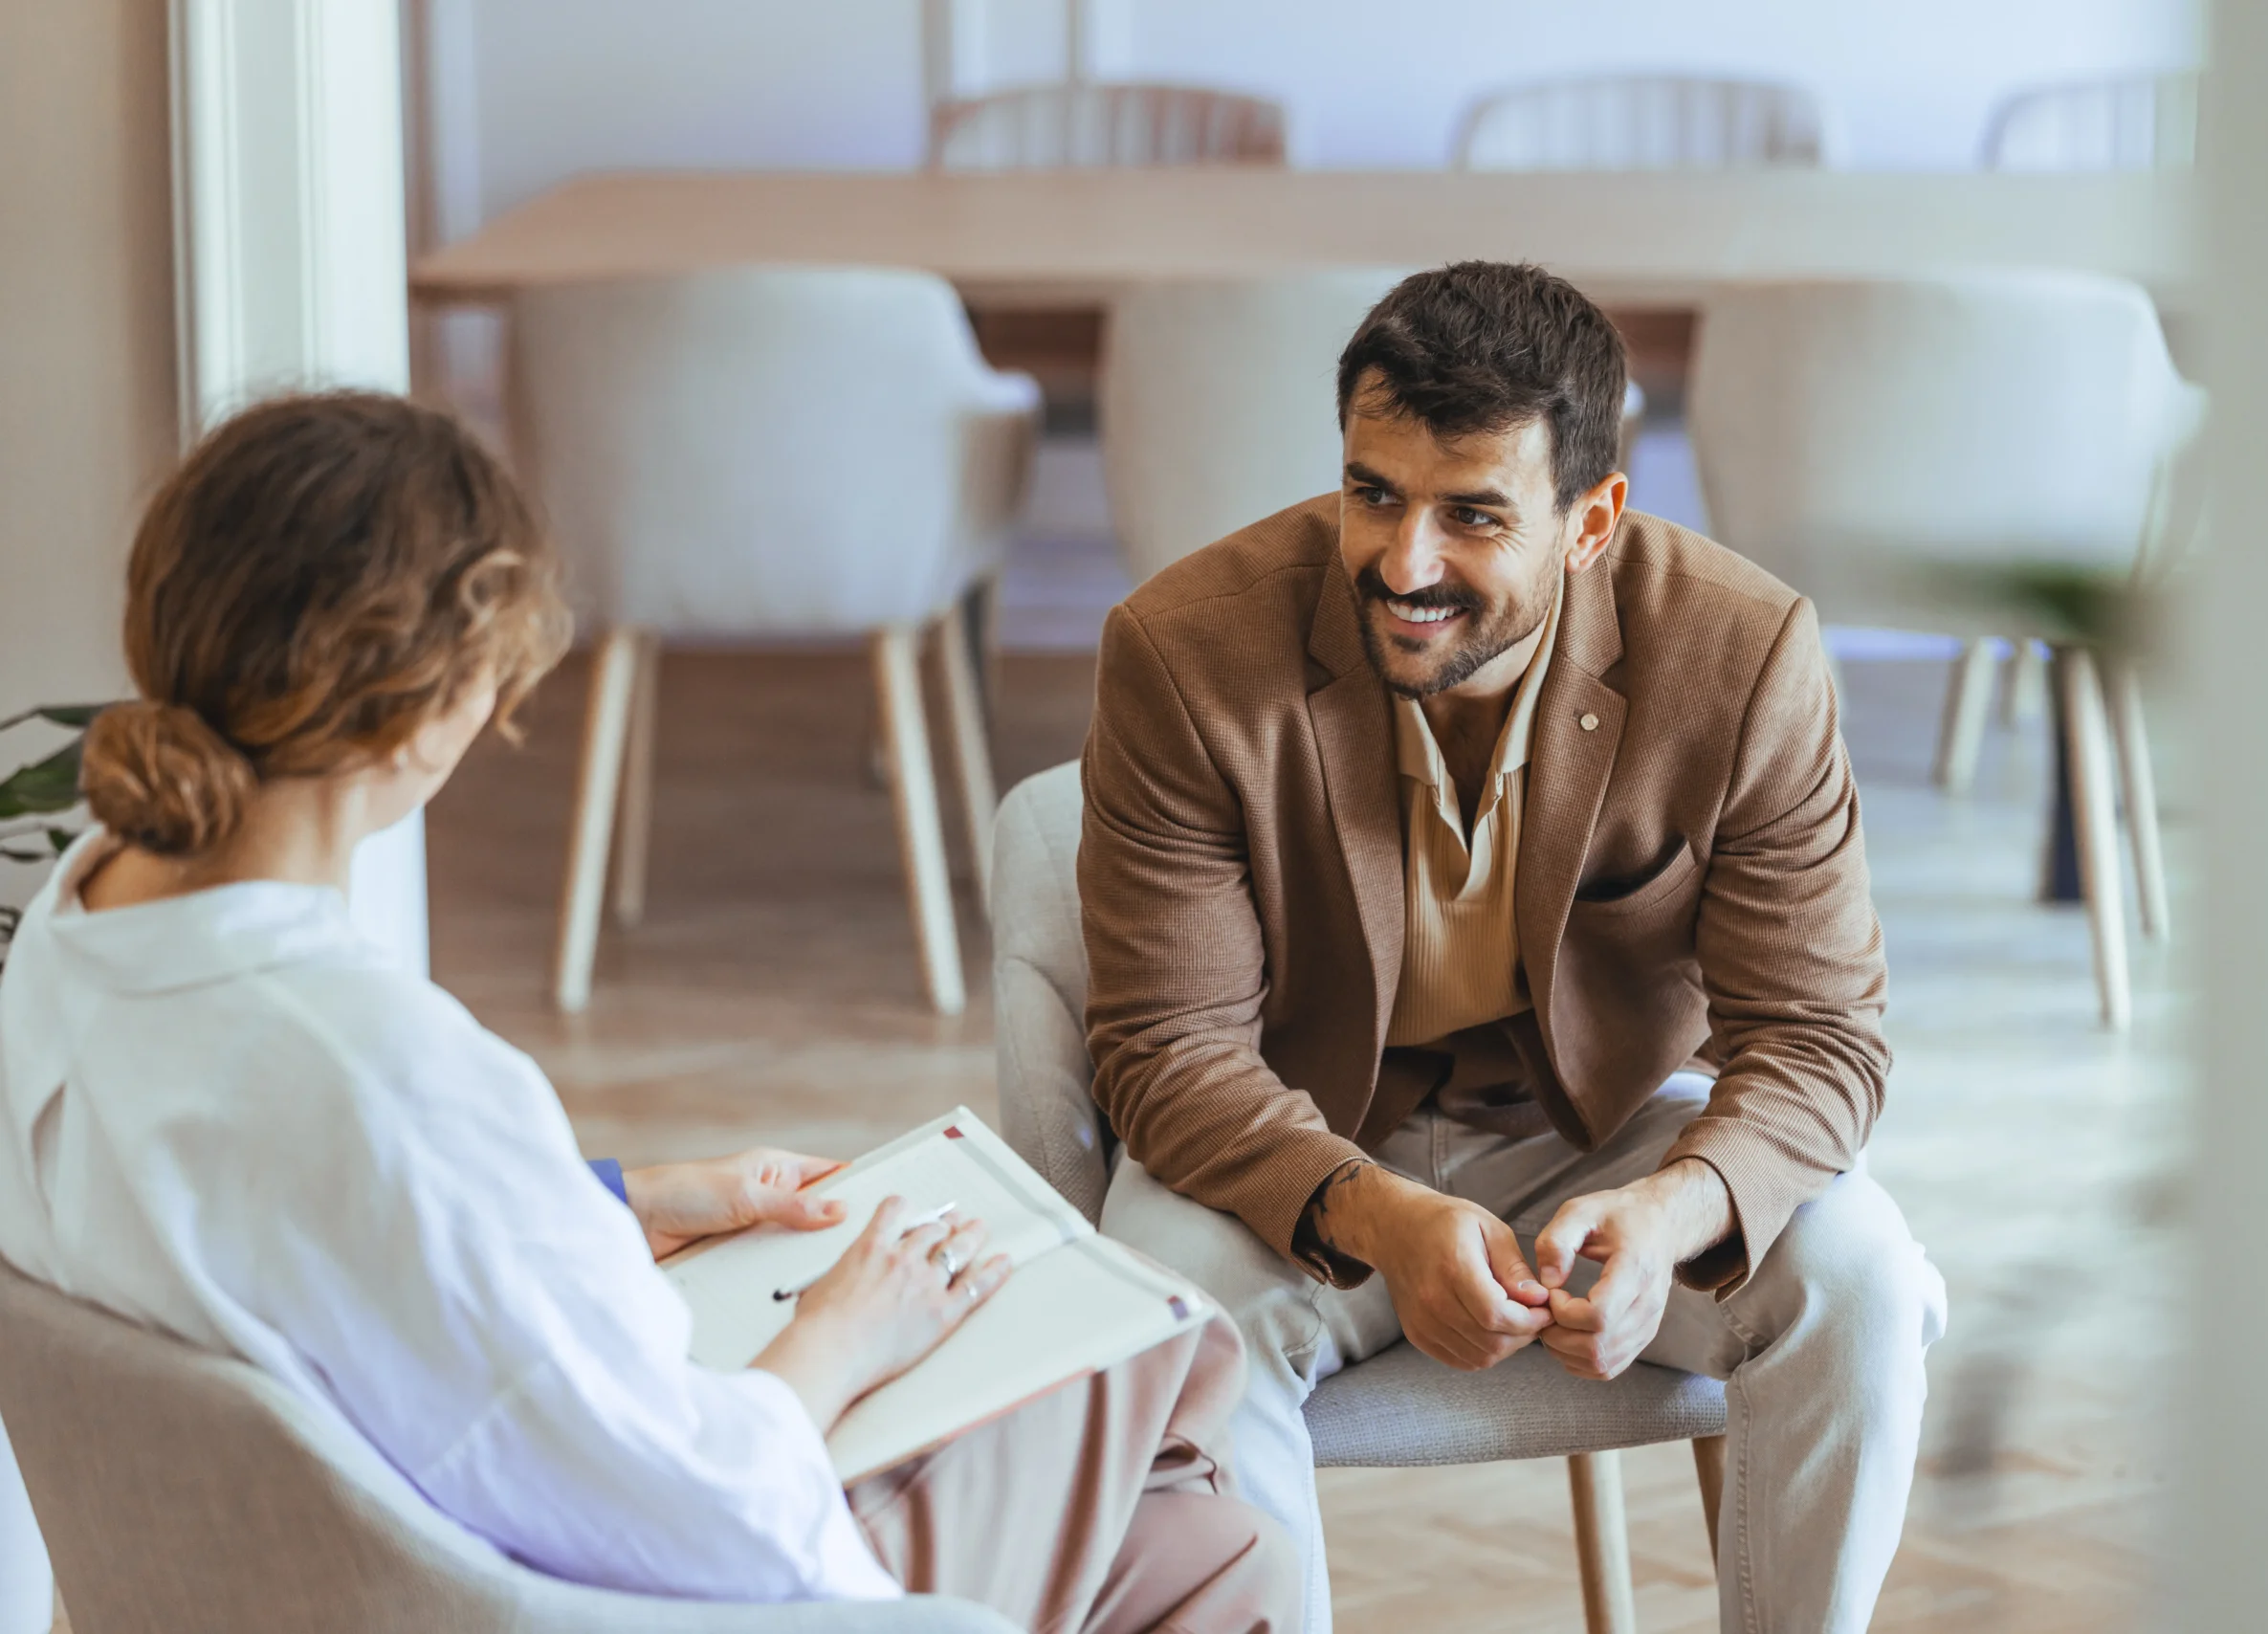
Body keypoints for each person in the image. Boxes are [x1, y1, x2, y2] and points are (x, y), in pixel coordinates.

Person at [0, 392, 1296, 1634]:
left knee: (1190, 1540)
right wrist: (845, 1330)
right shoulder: (387, 1071)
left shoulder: (78, 935)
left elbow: (285, 1218)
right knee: (1165, 1417)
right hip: (607, 1596)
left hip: (313, 1581)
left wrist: (618, 1199)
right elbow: (710, 1509)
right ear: (427, 711)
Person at [1078, 262, 1948, 1634]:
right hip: (1299, 1134)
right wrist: (1379, 1216)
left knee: (1865, 1276)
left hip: (1601, 1137)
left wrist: (1679, 1210)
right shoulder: (1183, 654)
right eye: (1373, 493)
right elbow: (1163, 1049)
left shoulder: (1744, 652)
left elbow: (1822, 1039)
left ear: (1593, 519)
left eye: (1472, 516)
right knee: (1164, 1323)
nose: (1403, 563)